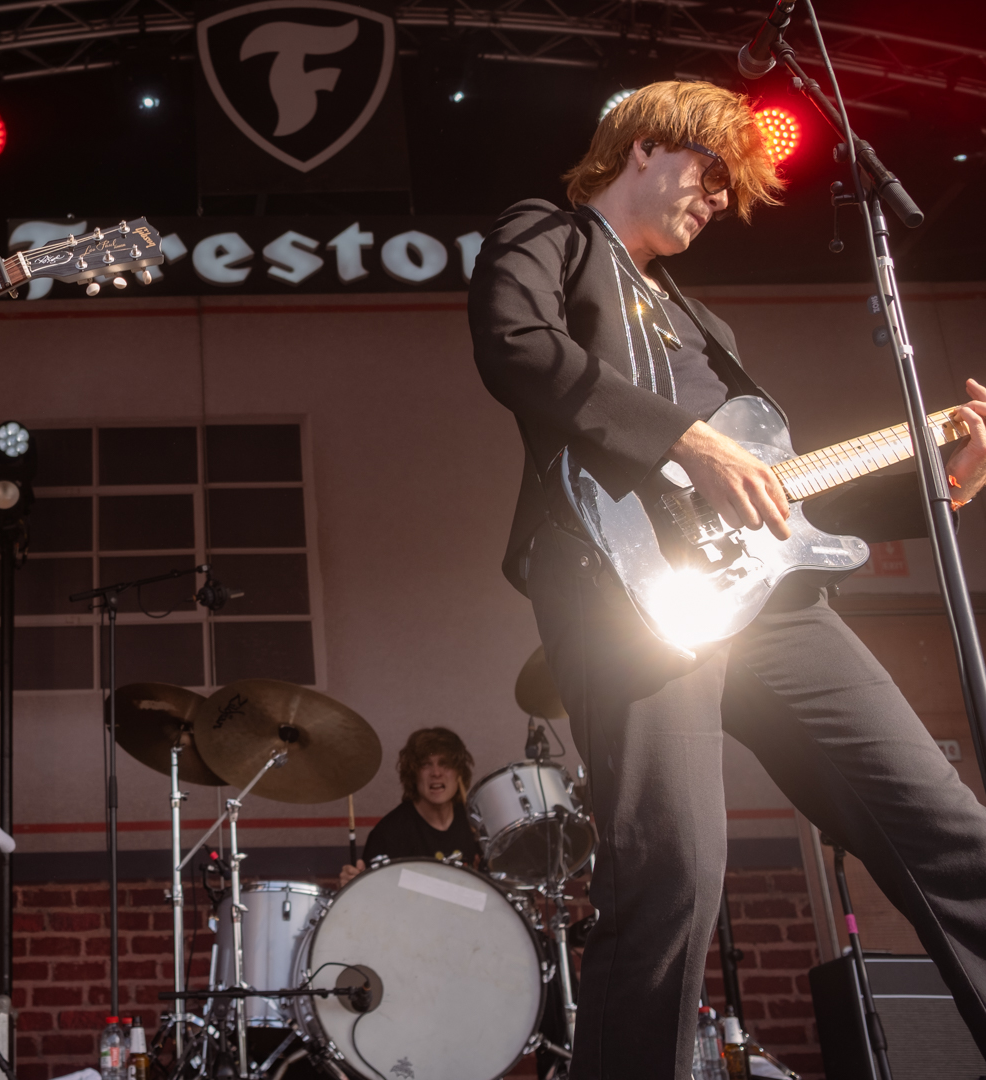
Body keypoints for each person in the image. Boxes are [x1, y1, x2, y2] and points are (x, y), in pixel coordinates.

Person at [469, 79, 986, 1080]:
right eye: (710, 176)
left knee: (948, 829)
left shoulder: (702, 321)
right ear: (645, 147)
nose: (717, 203)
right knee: (672, 877)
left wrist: (943, 482)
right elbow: (516, 346)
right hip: (625, 592)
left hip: (771, 604)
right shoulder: (549, 235)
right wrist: (688, 441)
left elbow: (782, 496)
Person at [339, 727, 479, 888]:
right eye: (426, 764)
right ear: (413, 774)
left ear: (459, 773)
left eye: (445, 764)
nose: (436, 773)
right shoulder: (387, 834)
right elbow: (371, 897)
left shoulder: (476, 822)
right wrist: (352, 886)